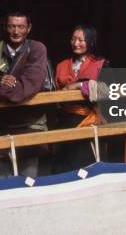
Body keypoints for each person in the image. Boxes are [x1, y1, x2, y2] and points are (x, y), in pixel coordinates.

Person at [0, 12, 48, 179]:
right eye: (11, 26)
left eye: (21, 26)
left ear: (28, 28)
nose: (16, 31)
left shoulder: (37, 49)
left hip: (29, 125)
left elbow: (27, 88)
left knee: (27, 185)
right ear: (5, 27)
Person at [54, 25, 107, 173]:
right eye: (73, 39)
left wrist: (77, 86)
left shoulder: (101, 64)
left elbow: (106, 90)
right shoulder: (61, 65)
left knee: (88, 167)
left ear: (90, 42)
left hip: (91, 120)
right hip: (65, 121)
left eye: (81, 40)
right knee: (64, 169)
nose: (76, 43)